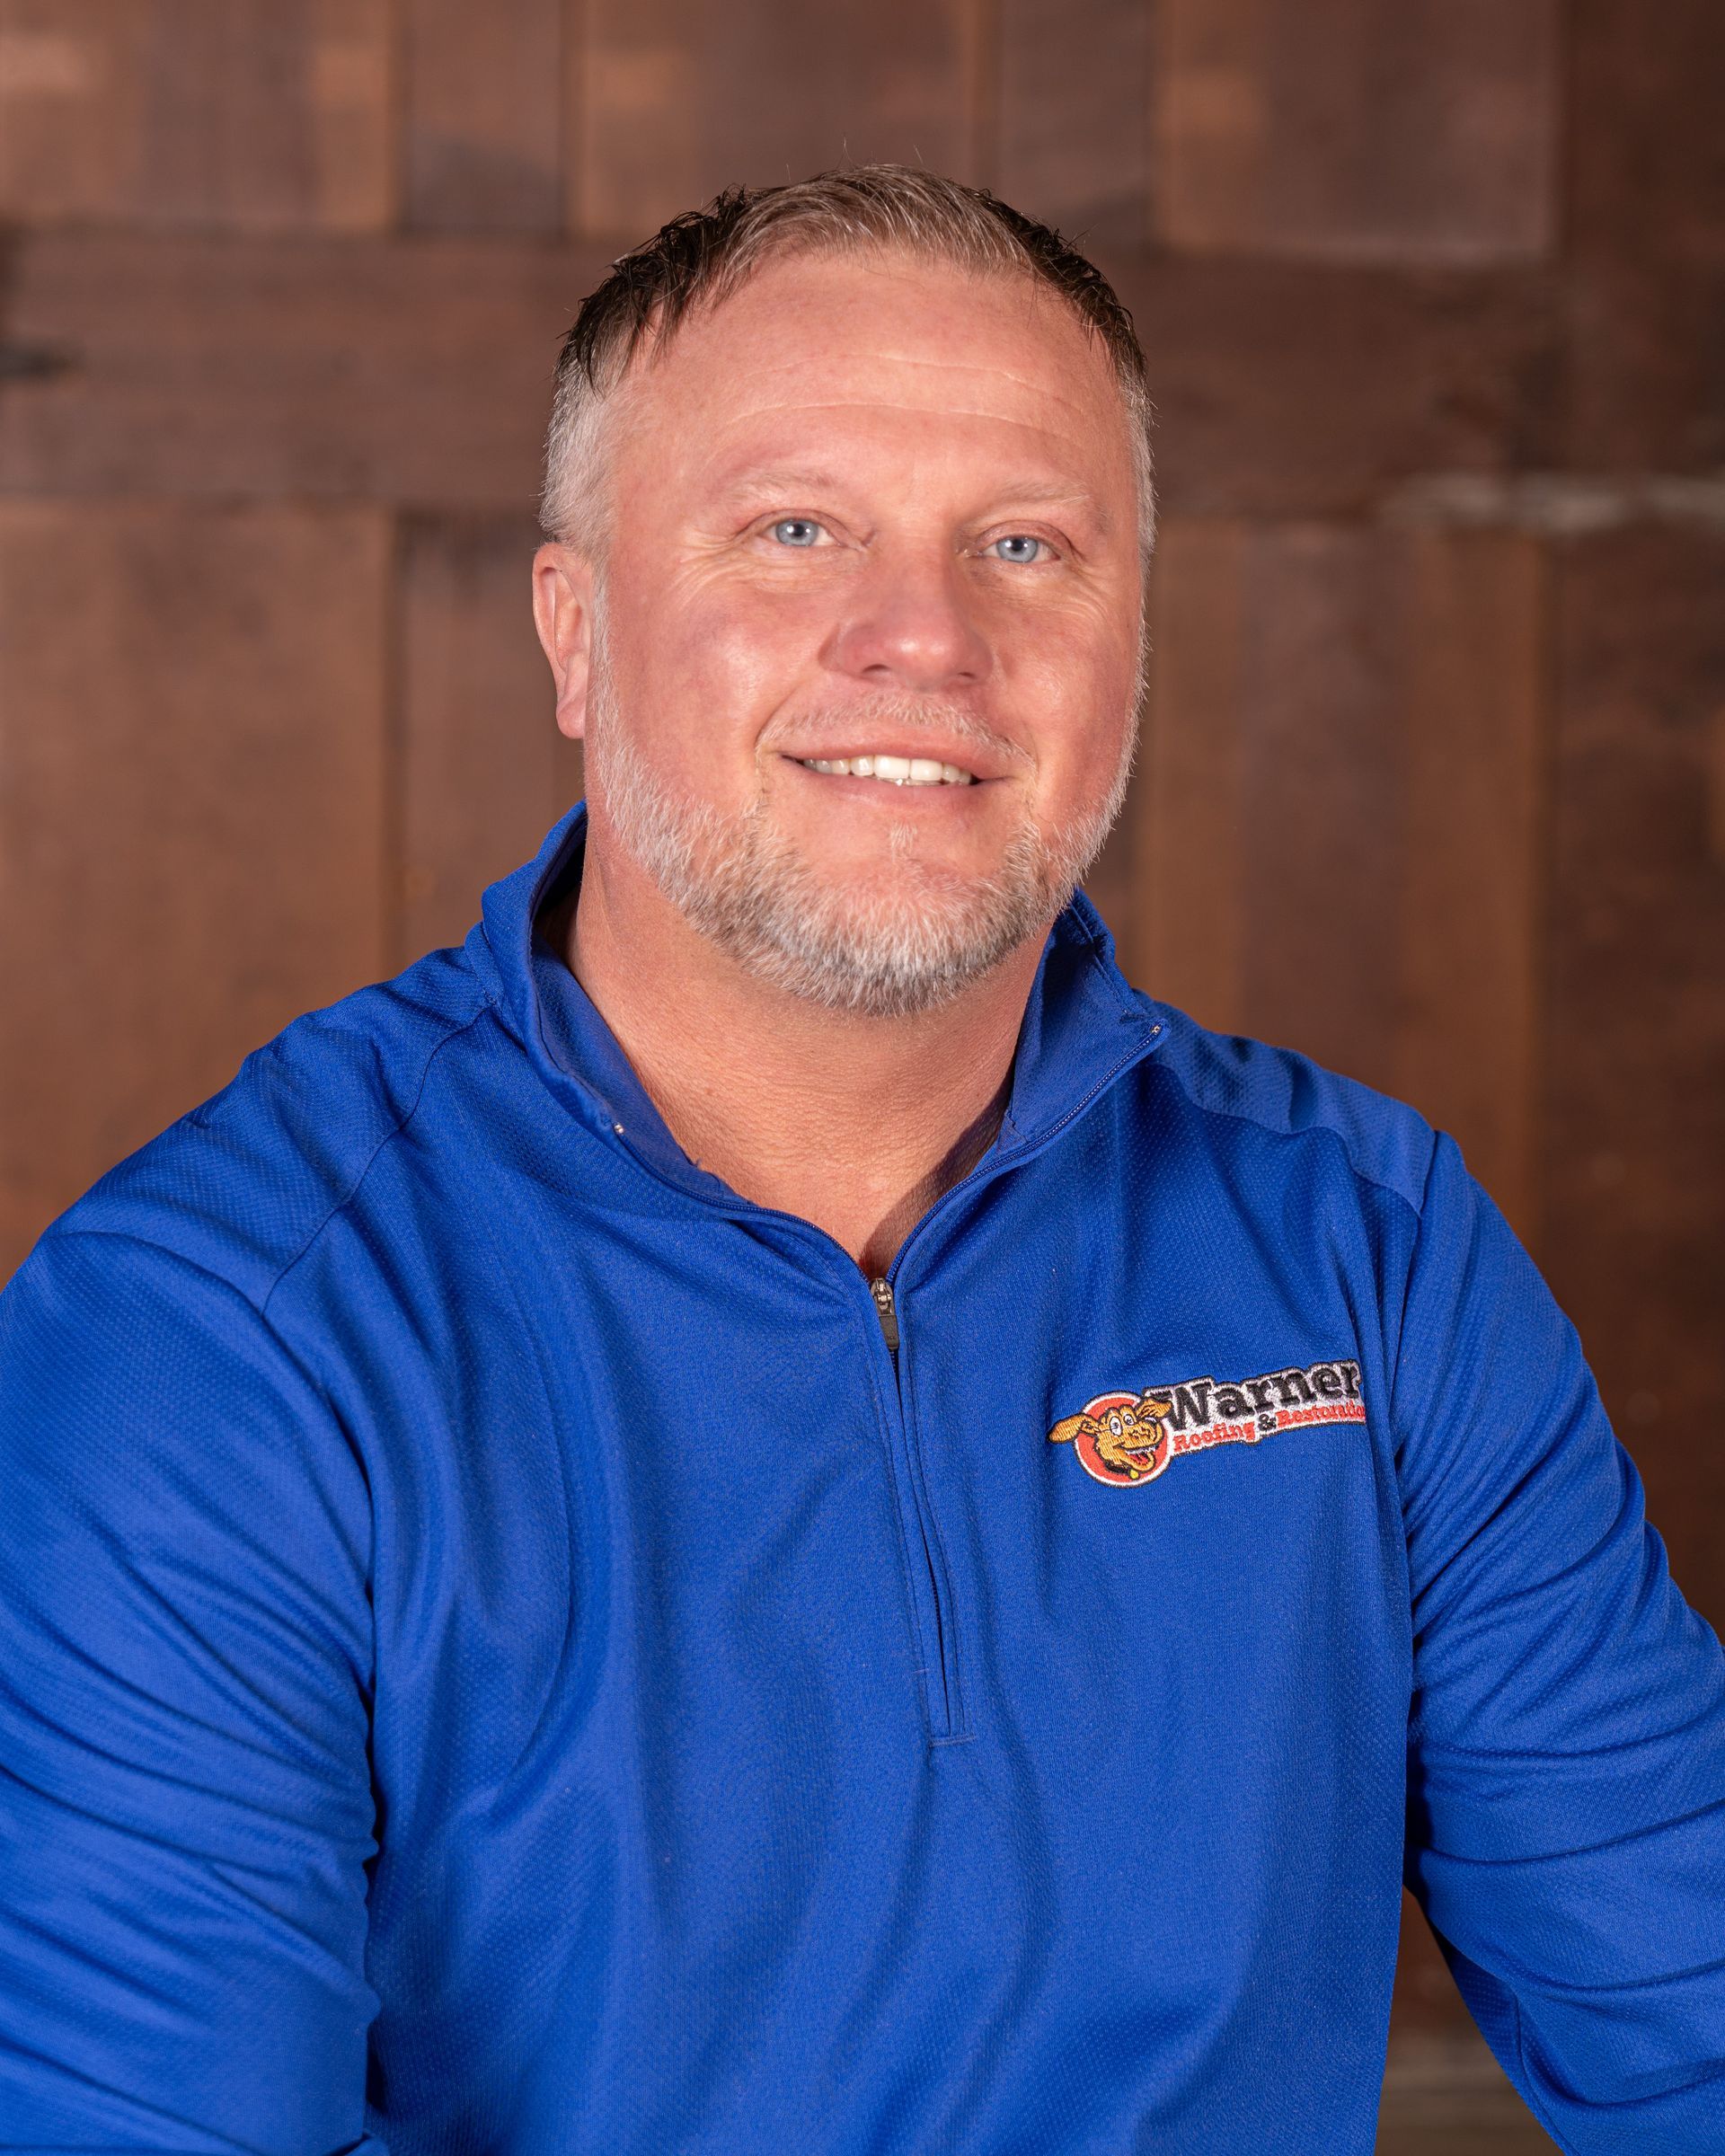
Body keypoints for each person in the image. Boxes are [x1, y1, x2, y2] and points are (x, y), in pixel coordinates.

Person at [0, 166, 1720, 2156]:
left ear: (1134, 648)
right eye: (795, 529)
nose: (923, 638)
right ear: (575, 631)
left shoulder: (1372, 1254)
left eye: (1027, 543)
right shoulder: (222, 1342)